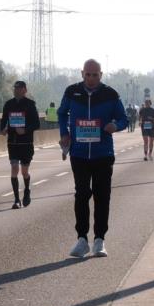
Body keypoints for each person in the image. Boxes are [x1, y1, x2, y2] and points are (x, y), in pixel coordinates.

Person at [57, 59, 128, 258]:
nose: (91, 78)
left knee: (102, 196)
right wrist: (64, 132)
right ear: (82, 74)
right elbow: (62, 113)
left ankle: (99, 240)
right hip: (79, 153)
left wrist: (115, 125)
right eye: (87, 74)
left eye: (95, 75)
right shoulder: (72, 92)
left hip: (103, 153)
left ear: (101, 75)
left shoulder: (111, 94)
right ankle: (81, 239)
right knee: (81, 194)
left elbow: (124, 118)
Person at [0, 80, 41, 209]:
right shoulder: (8, 104)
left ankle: (27, 190)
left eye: (19, 88)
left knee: (24, 172)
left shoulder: (30, 105)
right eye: (15, 88)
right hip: (12, 142)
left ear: (25, 90)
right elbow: (3, 121)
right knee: (14, 169)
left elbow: (37, 124)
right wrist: (3, 129)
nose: (16, 90)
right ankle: (16, 200)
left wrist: (25, 130)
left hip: (26, 143)